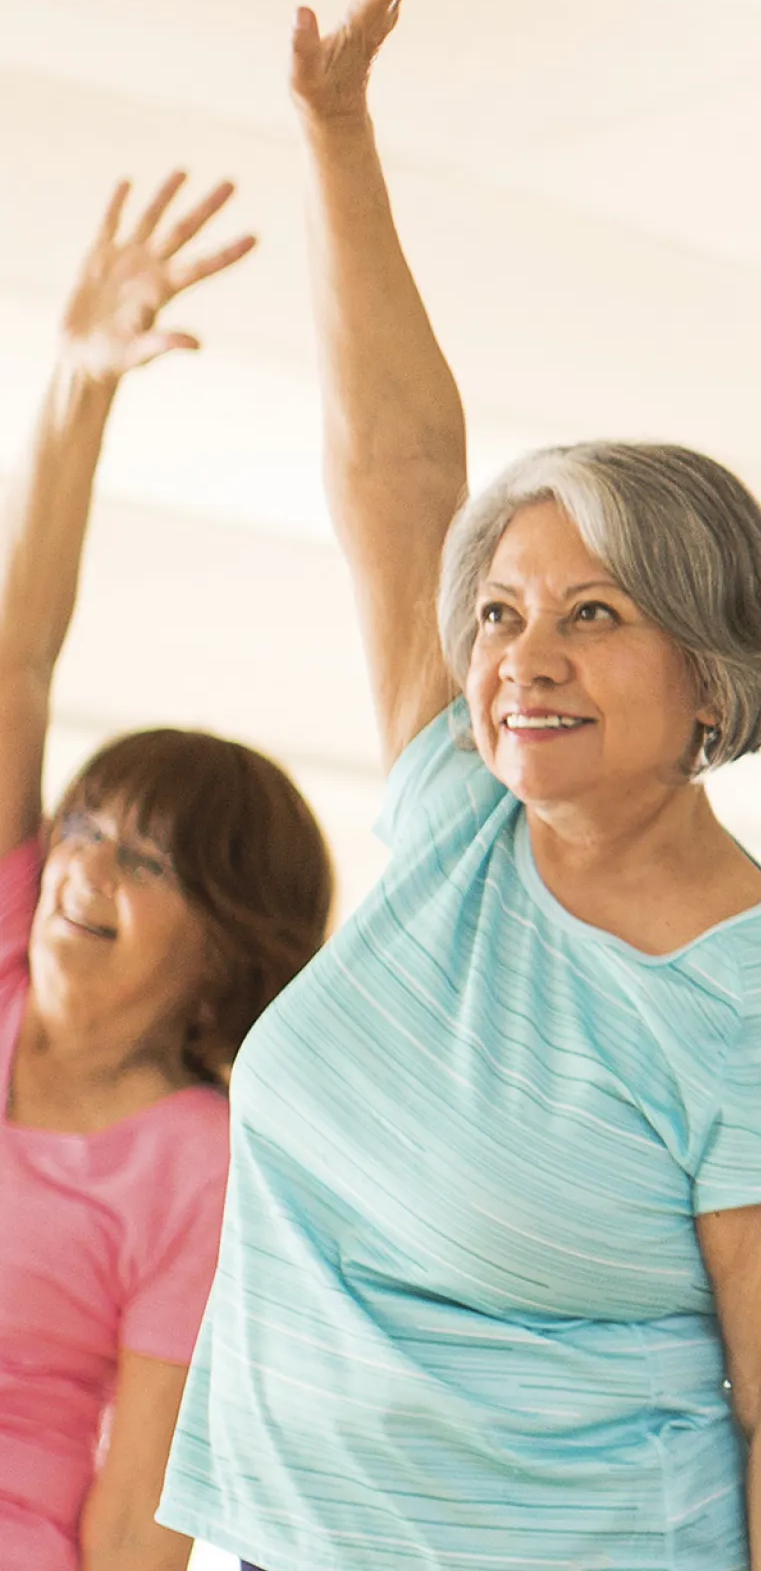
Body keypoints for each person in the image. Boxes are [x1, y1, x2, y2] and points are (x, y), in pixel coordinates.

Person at [158, 0, 761, 1571]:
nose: (522, 660)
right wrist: (336, 133)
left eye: (593, 615)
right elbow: (399, 473)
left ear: (709, 680)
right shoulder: (460, 824)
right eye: (502, 612)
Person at [2, 174, 336, 1571]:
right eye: (85, 826)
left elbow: (142, 1516)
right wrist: (80, 388)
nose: (84, 868)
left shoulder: (194, 1170)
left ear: (227, 949)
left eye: (146, 862)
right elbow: (19, 663)